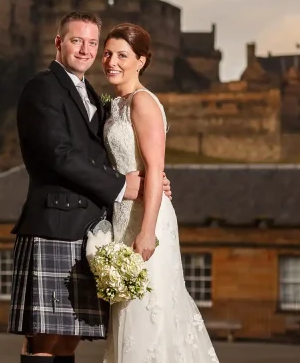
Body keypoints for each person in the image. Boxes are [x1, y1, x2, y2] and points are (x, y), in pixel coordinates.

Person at [8, 12, 173, 363]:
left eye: (92, 43)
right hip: (54, 225)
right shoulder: (42, 88)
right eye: (76, 40)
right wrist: (123, 186)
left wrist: (149, 179)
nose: (86, 50)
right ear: (58, 42)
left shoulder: (95, 97)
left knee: (69, 340)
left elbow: (106, 155)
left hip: (87, 230)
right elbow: (58, 155)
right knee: (44, 341)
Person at [101, 23, 218, 362]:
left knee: (148, 311)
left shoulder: (142, 103)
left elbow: (154, 169)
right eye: (108, 53)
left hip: (147, 218)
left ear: (141, 60)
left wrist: (148, 231)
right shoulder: (114, 104)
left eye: (122, 55)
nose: (111, 61)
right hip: (124, 216)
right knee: (127, 313)